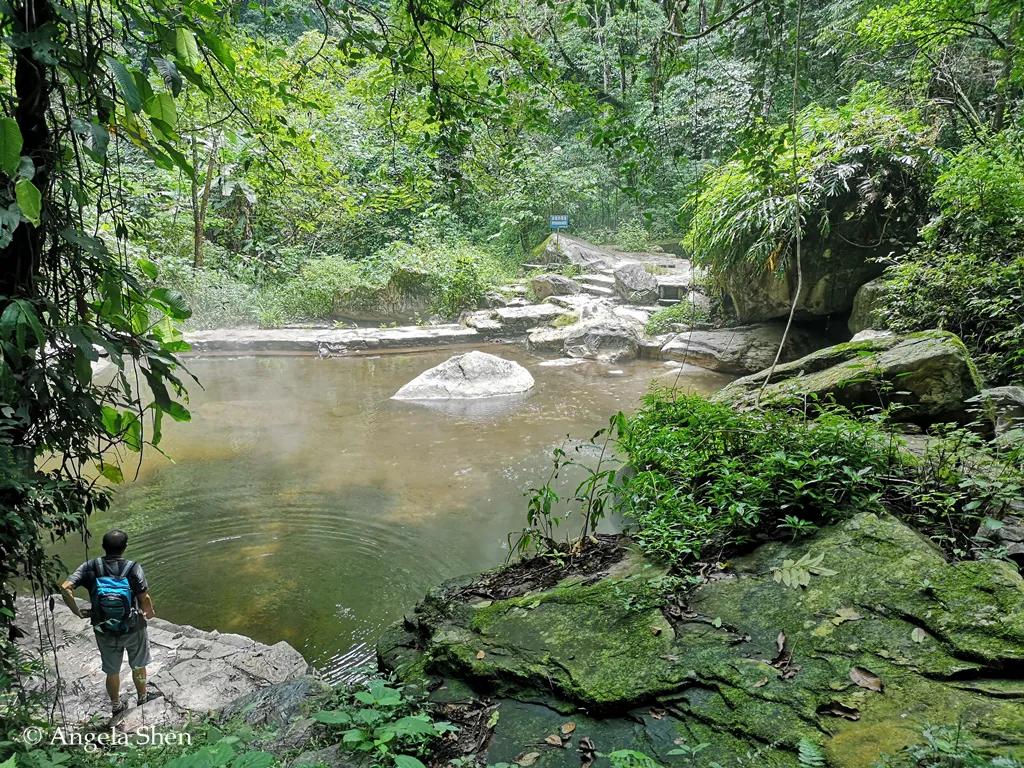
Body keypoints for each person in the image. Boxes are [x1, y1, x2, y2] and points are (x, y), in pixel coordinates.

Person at [60, 529, 157, 716]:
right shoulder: (133, 567)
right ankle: (142, 698)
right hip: (133, 627)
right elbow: (144, 597)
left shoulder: (91, 566)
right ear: (125, 547)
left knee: (111, 671)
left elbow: (65, 588)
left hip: (103, 629)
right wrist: (149, 613)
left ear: (104, 547)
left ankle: (116, 705)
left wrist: (77, 611)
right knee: (138, 664)